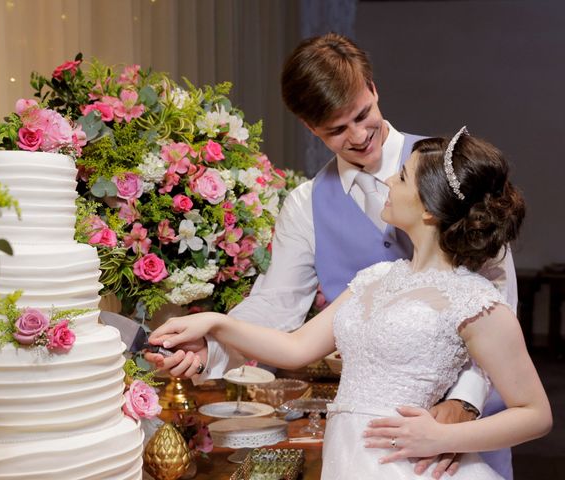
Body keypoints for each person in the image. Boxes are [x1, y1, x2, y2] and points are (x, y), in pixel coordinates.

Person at [145, 33, 516, 478]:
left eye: (363, 115)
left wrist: (463, 403)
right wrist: (211, 344)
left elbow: (499, 297)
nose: (359, 137)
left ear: (374, 88)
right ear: (309, 127)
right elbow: (277, 307)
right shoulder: (305, 204)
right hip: (373, 436)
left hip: (468, 435)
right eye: (337, 130)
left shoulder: (446, 170)